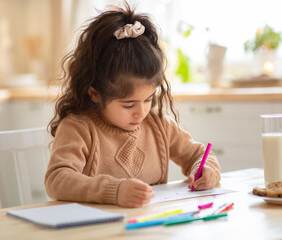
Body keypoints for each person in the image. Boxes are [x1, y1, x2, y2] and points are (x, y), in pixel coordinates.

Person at [45, 3, 221, 208]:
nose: (141, 112)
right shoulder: (78, 128)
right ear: (95, 93)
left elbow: (199, 154)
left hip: (149, 227)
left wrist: (206, 169)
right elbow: (57, 180)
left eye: (148, 99)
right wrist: (114, 191)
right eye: (128, 105)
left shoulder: (159, 125)